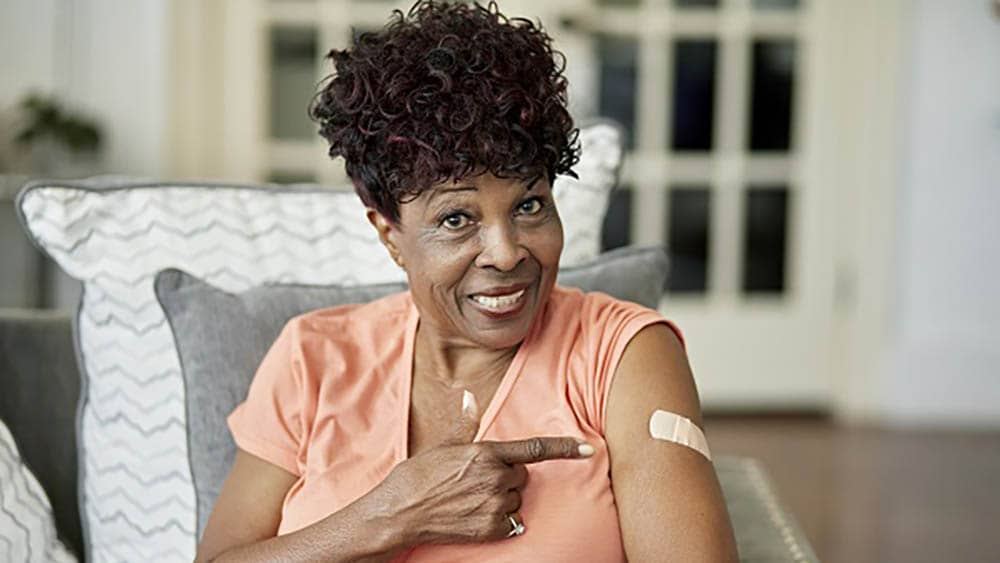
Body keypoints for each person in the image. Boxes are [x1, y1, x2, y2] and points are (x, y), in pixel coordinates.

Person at [196, 1, 737, 561]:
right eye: (457, 219)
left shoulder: (620, 355)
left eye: (530, 205)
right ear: (389, 235)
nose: (506, 254)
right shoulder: (313, 358)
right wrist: (395, 514)